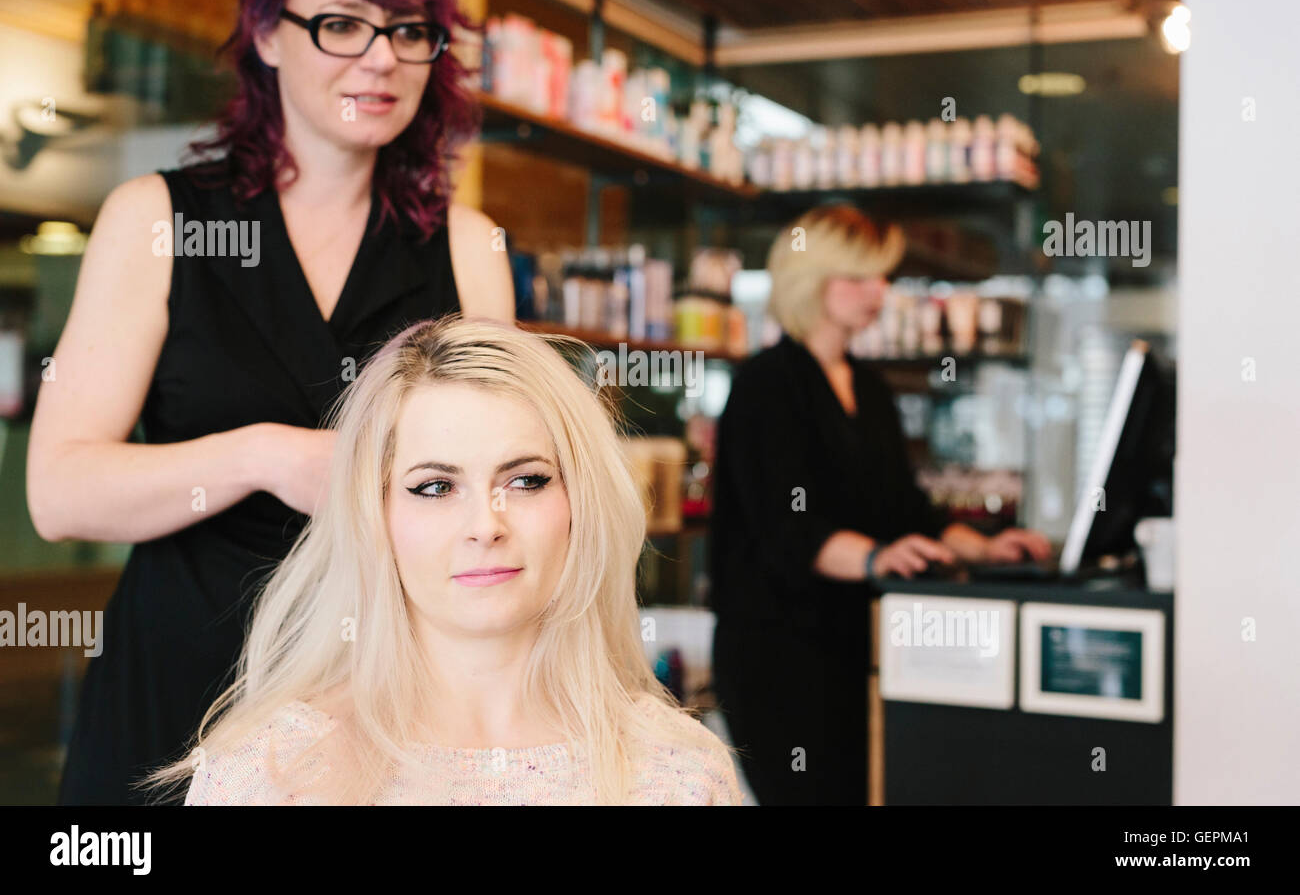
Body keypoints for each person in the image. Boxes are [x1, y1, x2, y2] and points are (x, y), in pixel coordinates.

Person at [26, 0, 514, 805]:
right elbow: (60, 495)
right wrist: (264, 457)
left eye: (409, 30)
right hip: (177, 686)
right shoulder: (156, 220)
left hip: (382, 704)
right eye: (341, 24)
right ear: (265, 29)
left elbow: (491, 488)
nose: (380, 60)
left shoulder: (469, 248)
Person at [137, 317, 743, 805]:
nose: (486, 526)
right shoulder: (269, 775)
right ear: (376, 517)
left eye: (527, 481)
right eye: (434, 487)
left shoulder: (679, 774)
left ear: (578, 506)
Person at [709, 205, 1050, 805]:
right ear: (811, 280)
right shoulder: (767, 385)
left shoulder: (869, 387)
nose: (880, 291)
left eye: (883, 276)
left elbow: (909, 513)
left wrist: (985, 546)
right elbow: (789, 531)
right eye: (861, 277)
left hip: (853, 647)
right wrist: (876, 558)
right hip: (778, 656)